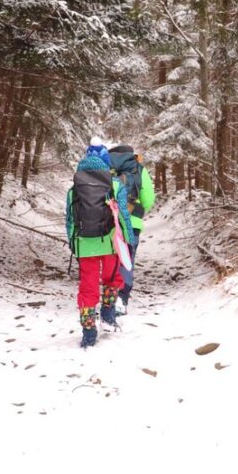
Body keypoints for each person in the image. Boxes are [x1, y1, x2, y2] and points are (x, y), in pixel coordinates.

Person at [65, 141, 135, 348]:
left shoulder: (74, 188)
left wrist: (73, 243)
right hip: (110, 243)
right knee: (112, 278)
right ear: (106, 161)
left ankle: (88, 333)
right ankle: (108, 315)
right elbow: (123, 215)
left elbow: (69, 220)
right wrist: (128, 240)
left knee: (87, 287)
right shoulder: (115, 185)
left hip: (85, 245)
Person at [107, 144, 155, 314]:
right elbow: (148, 199)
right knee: (126, 259)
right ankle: (121, 297)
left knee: (109, 259)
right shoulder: (138, 169)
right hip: (131, 222)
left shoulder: (104, 165)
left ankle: (108, 296)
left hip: (107, 221)